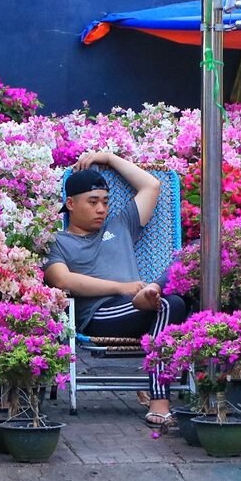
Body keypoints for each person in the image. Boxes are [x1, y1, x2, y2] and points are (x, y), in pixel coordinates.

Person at [43, 152, 188, 428]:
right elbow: (62, 280)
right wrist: (123, 287)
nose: (101, 209)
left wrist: (107, 157)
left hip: (140, 309)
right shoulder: (58, 242)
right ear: (70, 204)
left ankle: (152, 293)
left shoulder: (121, 226)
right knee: (169, 305)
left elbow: (151, 186)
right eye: (93, 202)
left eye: (105, 202)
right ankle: (159, 401)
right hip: (100, 316)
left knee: (189, 261)